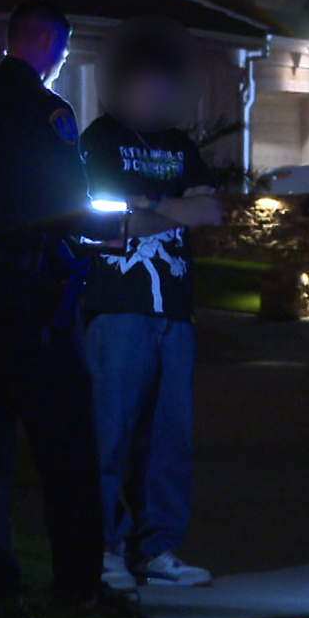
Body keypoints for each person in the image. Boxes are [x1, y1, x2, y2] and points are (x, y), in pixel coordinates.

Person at [0, 0, 176, 605]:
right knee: (67, 447)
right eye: (64, 50)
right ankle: (76, 583)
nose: (61, 62)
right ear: (47, 43)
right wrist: (115, 219)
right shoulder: (49, 113)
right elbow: (70, 203)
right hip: (36, 299)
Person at [80, 53, 222, 588]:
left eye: (164, 89)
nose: (157, 98)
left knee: (168, 439)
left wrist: (148, 206)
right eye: (147, 87)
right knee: (108, 434)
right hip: (117, 306)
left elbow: (209, 211)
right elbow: (104, 222)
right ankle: (104, 547)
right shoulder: (98, 141)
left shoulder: (180, 146)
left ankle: (157, 549)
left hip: (174, 313)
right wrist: (171, 207)